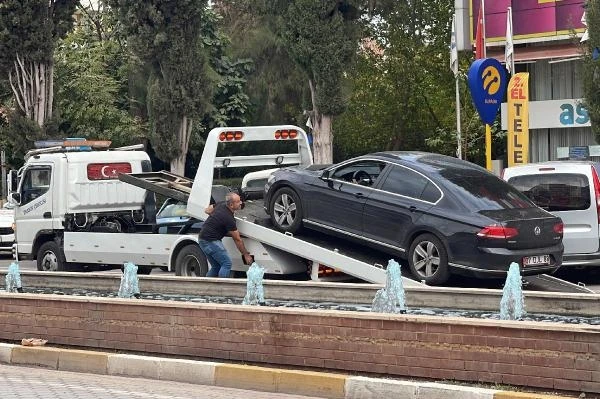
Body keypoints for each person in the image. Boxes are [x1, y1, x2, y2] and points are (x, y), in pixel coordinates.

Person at [199, 192, 253, 277]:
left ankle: (207, 288)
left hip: (202, 239)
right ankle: (221, 289)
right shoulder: (229, 218)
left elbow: (207, 210)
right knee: (226, 263)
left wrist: (216, 218)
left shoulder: (221, 204)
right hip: (210, 241)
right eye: (238, 202)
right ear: (231, 205)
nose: (241, 203)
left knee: (216, 267)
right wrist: (246, 254)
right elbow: (237, 239)